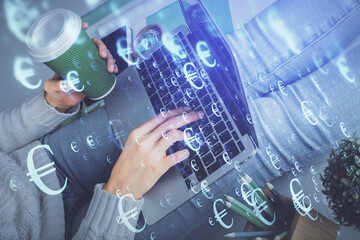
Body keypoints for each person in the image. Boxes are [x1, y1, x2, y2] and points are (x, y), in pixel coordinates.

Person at [0, 22, 203, 239]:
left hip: (45, 163)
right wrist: (120, 194)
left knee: (172, 97)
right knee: (215, 170)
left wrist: (51, 105)